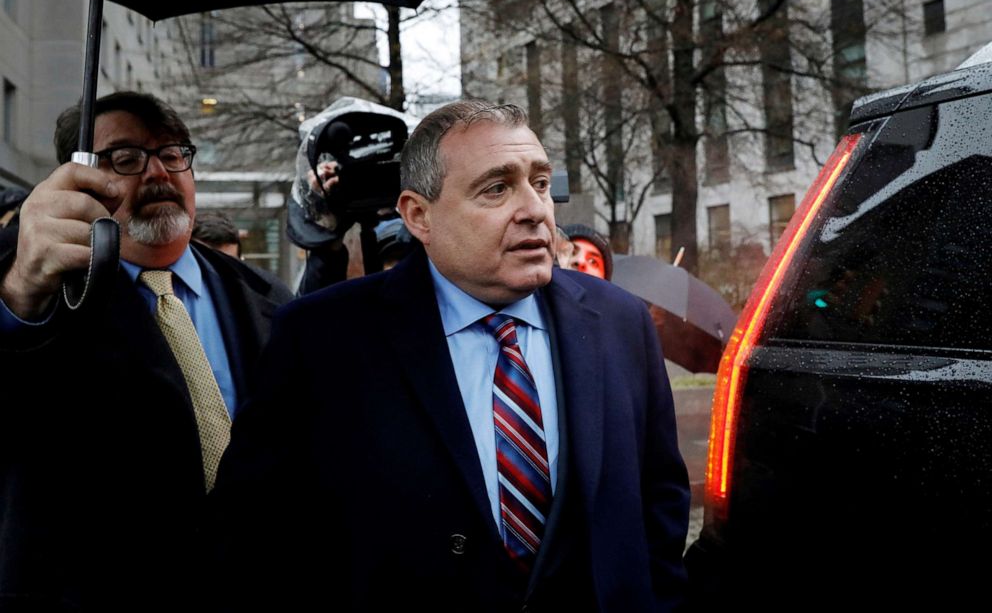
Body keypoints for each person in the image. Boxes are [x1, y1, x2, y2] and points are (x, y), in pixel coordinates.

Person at [212, 100, 690, 611]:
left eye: (541, 183)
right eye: (497, 188)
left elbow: (659, 498)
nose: (535, 210)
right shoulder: (321, 339)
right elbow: (253, 531)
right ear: (419, 215)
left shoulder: (619, 320)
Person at [0, 91, 293, 611]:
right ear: (77, 180)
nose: (158, 173)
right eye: (127, 158)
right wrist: (23, 289)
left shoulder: (267, 298)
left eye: (173, 153)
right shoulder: (37, 287)